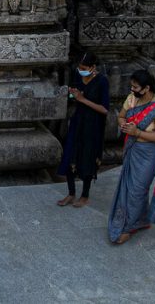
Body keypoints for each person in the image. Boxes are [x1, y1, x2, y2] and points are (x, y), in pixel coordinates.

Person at [108, 70, 155, 245]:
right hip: (133, 148)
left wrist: (137, 131)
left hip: (148, 153)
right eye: (131, 86)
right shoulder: (132, 99)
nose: (132, 89)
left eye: (135, 87)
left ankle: (128, 227)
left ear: (146, 88)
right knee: (128, 187)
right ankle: (139, 220)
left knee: (137, 190)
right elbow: (121, 116)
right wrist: (123, 124)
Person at [57, 53, 109, 208]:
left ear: (93, 67)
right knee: (70, 154)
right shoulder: (78, 76)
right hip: (78, 121)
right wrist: (73, 96)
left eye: (84, 68)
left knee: (87, 156)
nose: (80, 70)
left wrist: (83, 99)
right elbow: (75, 97)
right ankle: (71, 193)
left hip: (92, 125)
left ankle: (85, 195)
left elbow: (104, 109)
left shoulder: (102, 81)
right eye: (79, 67)